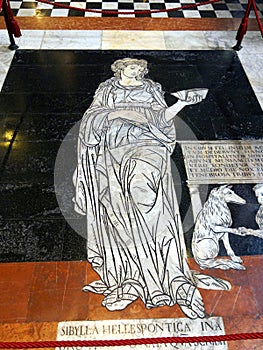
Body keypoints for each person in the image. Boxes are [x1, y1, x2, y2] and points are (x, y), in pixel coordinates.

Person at [73, 58, 230, 319]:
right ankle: (130, 278)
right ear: (119, 68)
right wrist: (118, 113)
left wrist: (180, 103)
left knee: (144, 196)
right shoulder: (107, 89)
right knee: (116, 212)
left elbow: (162, 119)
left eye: (138, 67)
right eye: (130, 66)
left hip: (148, 147)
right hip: (110, 152)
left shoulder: (150, 89)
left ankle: (172, 279)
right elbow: (90, 119)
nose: (135, 70)